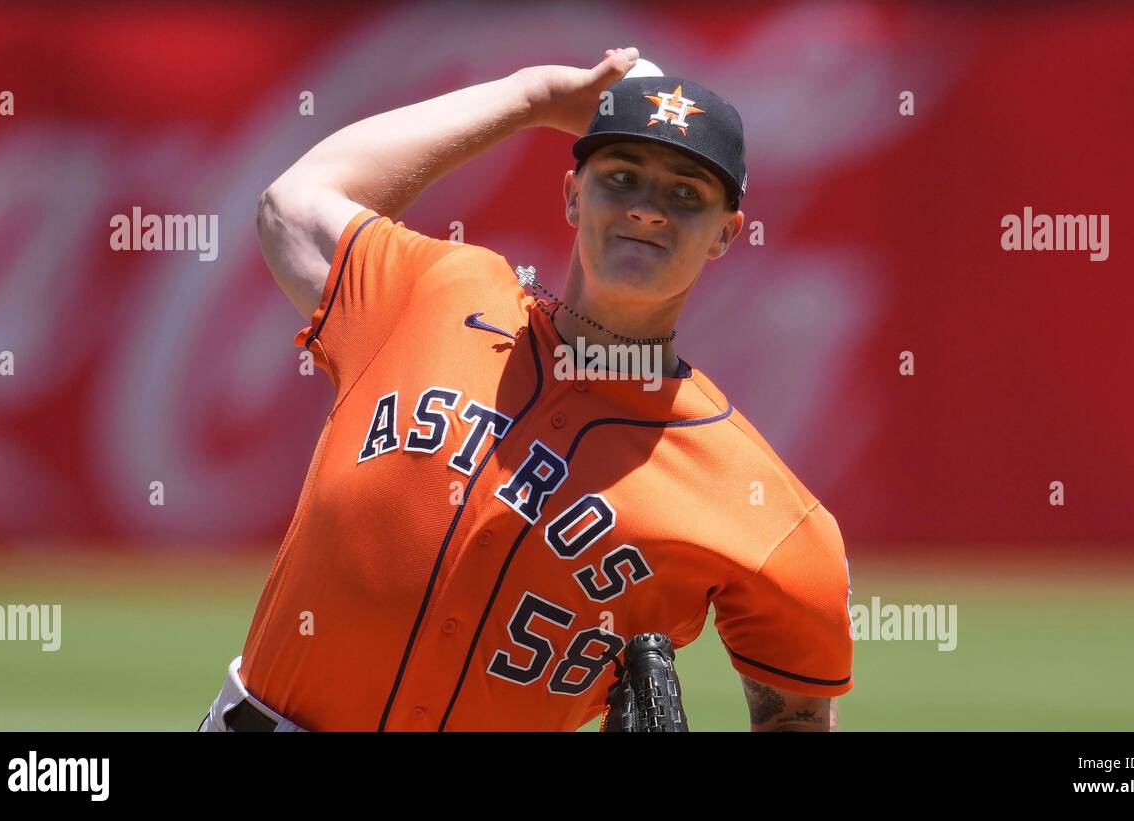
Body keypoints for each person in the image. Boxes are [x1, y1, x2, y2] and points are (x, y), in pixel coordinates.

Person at [199, 47, 853, 732]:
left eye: (685, 193)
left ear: (725, 235)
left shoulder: (763, 508)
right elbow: (291, 207)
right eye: (622, 177)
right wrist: (530, 98)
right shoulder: (433, 293)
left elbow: (799, 716)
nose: (648, 211)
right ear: (573, 194)